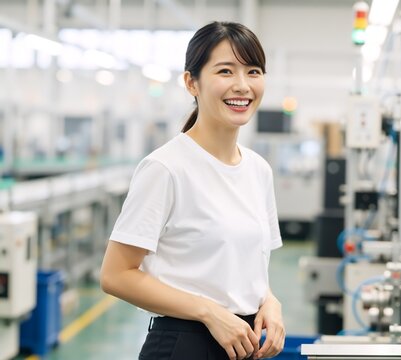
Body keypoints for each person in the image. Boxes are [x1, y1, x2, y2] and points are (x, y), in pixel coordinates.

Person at [100, 21, 284, 360]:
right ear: (191, 82)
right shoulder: (166, 168)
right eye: (226, 71)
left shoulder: (258, 170)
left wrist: (269, 301)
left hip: (243, 343)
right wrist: (208, 312)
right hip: (185, 344)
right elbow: (115, 275)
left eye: (253, 71)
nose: (242, 86)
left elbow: (246, 268)